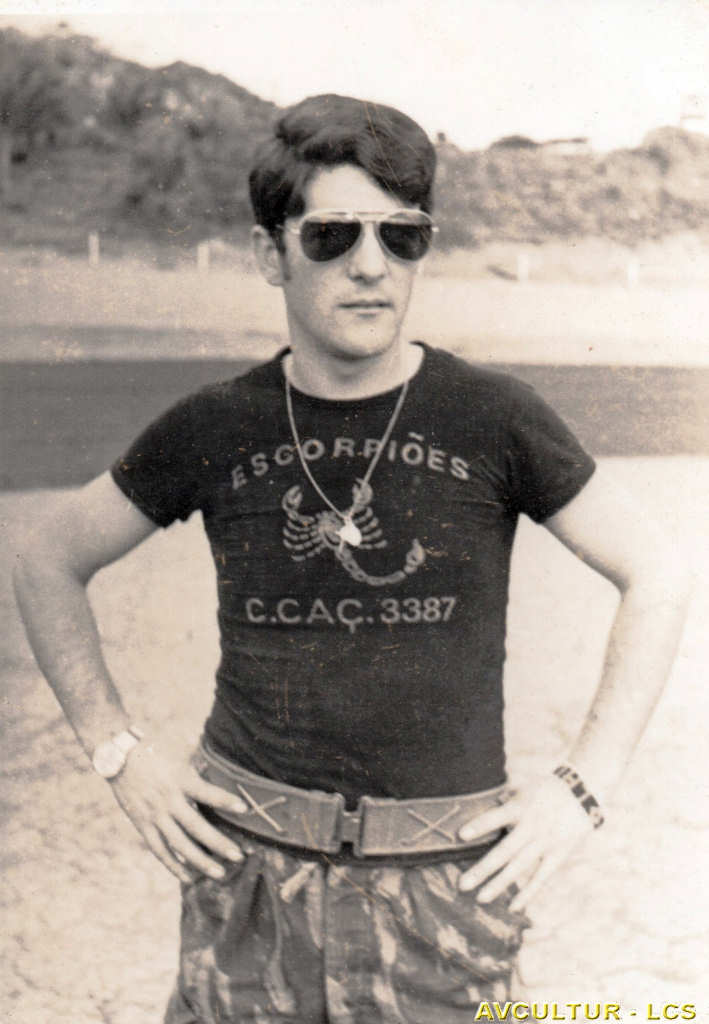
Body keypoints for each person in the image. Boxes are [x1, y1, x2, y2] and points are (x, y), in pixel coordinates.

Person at [14, 94, 691, 1024]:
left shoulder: (493, 417)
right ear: (270, 254)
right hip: (247, 875)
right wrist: (116, 750)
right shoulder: (216, 423)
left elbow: (657, 572)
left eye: (401, 236)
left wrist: (583, 786)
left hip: (444, 885)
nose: (370, 265)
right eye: (331, 235)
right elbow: (47, 559)